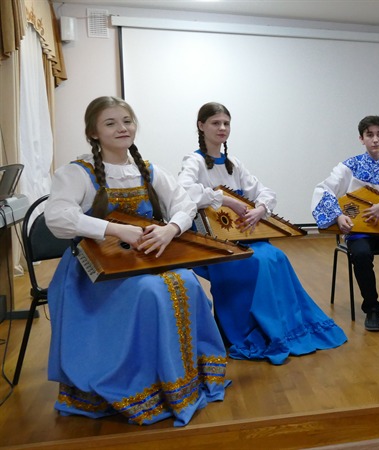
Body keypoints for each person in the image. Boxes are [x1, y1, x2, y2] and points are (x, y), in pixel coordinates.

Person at [44, 96, 229, 426]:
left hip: (143, 260)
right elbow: (57, 217)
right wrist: (115, 230)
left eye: (127, 121)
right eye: (110, 123)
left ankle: (178, 380)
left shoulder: (148, 170)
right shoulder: (77, 173)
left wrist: (170, 229)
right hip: (95, 271)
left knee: (186, 280)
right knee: (151, 291)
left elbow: (185, 205)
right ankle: (138, 384)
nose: (122, 128)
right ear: (93, 132)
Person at [178, 102, 347, 364]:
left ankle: (281, 327)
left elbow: (265, 192)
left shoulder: (234, 163)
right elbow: (184, 191)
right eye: (215, 123)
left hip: (242, 238)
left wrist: (261, 209)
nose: (222, 128)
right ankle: (246, 328)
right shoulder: (195, 161)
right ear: (201, 126)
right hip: (213, 243)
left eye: (226, 123)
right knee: (258, 261)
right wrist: (225, 199)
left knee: (276, 257)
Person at [311, 115, 379, 332]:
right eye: (369, 135)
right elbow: (324, 189)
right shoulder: (349, 166)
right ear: (361, 139)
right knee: (361, 254)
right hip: (360, 230)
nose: (375, 139)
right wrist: (337, 216)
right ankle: (371, 307)